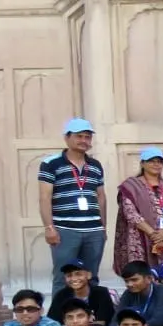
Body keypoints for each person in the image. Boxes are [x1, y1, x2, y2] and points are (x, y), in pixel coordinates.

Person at [40, 118, 108, 292]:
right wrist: (49, 228)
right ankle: (61, 310)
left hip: (93, 230)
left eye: (87, 137)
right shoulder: (51, 163)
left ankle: (90, 308)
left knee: (91, 276)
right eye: (79, 136)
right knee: (63, 278)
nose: (84, 140)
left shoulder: (95, 165)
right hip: (65, 230)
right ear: (67, 138)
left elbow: (101, 197)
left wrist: (103, 228)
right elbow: (45, 197)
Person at [113, 147, 163, 273]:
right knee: (141, 275)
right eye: (151, 161)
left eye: (159, 161)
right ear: (142, 163)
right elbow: (131, 214)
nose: (156, 164)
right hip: (140, 237)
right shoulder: (131, 186)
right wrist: (154, 234)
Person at [48, 259, 116, 326]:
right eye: (69, 275)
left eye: (78, 274)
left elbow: (100, 324)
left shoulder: (101, 293)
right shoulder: (61, 295)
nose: (74, 279)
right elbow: (52, 323)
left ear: (89, 275)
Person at [115, 260, 163, 326]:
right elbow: (116, 319)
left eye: (134, 280)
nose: (129, 284)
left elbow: (159, 321)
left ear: (149, 279)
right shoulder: (128, 293)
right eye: (126, 281)